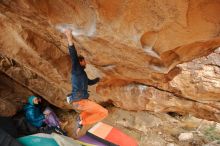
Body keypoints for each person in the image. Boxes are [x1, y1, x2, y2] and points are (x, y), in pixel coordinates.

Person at [64, 29, 108, 136]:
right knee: (104, 112)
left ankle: (81, 118)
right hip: (80, 101)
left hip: (80, 101)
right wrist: (69, 35)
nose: (86, 62)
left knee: (92, 111)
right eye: (84, 61)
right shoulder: (76, 69)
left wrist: (98, 79)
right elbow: (73, 53)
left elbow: (90, 82)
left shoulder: (82, 74)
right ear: (80, 62)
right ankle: (82, 121)